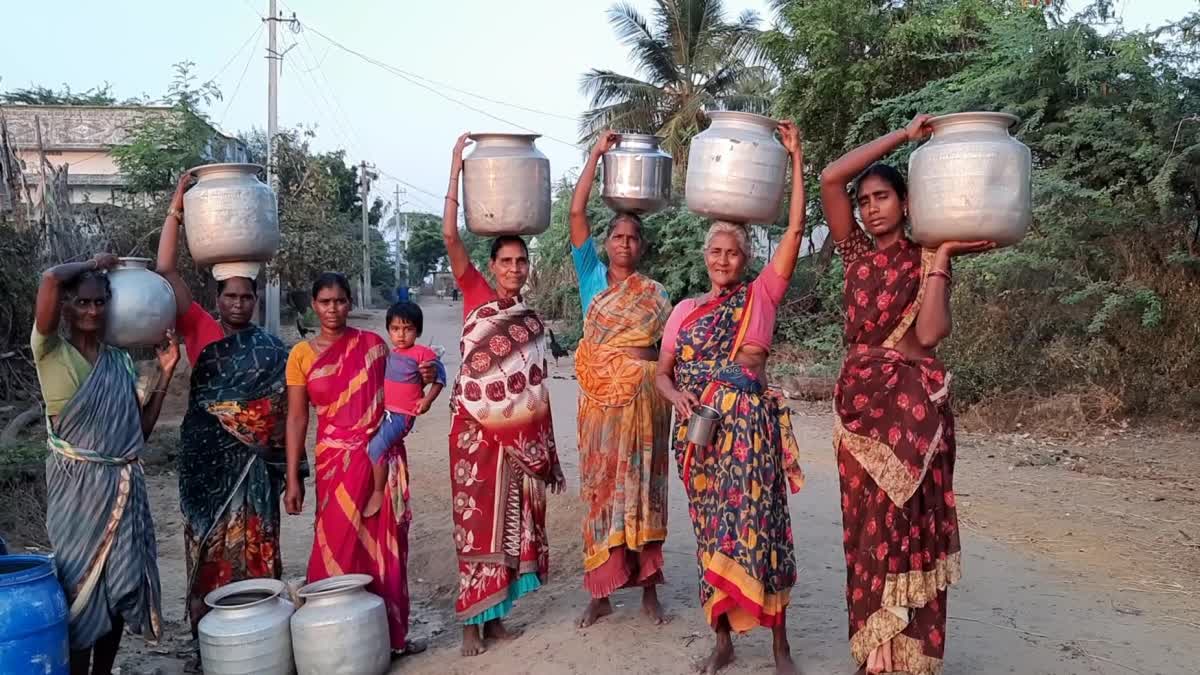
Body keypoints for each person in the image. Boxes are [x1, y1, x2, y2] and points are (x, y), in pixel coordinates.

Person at [818, 114, 993, 675]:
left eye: (882, 197)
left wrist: (940, 261)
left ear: (907, 202)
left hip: (915, 417)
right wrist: (904, 137)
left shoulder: (924, 259)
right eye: (865, 199)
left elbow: (931, 335)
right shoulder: (853, 255)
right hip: (862, 413)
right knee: (866, 534)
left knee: (912, 528)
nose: (870, 208)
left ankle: (910, 656)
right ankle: (876, 655)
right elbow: (828, 178)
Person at [655, 121, 808, 675]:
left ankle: (780, 645)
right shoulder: (683, 312)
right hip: (699, 435)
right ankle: (722, 640)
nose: (723, 259)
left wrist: (795, 158)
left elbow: (793, 231)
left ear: (745, 259)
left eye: (732, 252)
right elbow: (663, 374)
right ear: (705, 256)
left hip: (751, 429)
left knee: (763, 528)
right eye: (715, 251)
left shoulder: (762, 294)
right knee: (711, 533)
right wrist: (676, 398)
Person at [154, 172, 293, 639]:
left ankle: (260, 636)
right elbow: (167, 270)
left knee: (255, 543)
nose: (238, 302)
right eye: (230, 296)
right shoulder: (198, 329)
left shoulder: (274, 350)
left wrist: (290, 469)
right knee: (209, 544)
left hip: (254, 470)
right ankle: (212, 639)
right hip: (206, 462)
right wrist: (178, 204)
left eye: (245, 296)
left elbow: (284, 415)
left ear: (256, 299)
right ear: (217, 300)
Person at [443, 132, 566, 657]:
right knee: (476, 524)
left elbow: (536, 393)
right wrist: (456, 167)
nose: (514, 269)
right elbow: (451, 236)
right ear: (491, 265)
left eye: (521, 262)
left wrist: (544, 450)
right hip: (474, 435)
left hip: (515, 444)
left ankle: (496, 620)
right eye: (506, 262)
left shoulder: (532, 320)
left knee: (509, 522)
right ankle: (471, 622)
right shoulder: (475, 293)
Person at [33, 252, 180, 675]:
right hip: (74, 492)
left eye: (100, 302)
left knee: (118, 587)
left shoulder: (119, 363)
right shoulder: (49, 349)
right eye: (82, 302)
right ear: (66, 306)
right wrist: (92, 263)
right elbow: (49, 277)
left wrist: (166, 373)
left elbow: (139, 433)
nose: (92, 310)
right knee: (79, 589)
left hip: (120, 483)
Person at [284, 273, 423, 656]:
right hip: (333, 463)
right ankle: (331, 645)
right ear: (314, 305)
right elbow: (297, 419)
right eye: (326, 302)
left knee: (384, 545)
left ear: (349, 302)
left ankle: (391, 639)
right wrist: (292, 476)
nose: (334, 309)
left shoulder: (374, 346)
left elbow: (399, 395)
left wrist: (427, 381)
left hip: (376, 456)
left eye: (341, 301)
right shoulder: (301, 355)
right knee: (336, 543)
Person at [569, 130, 673, 628]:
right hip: (600, 405)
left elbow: (664, 350)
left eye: (632, 237)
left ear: (642, 245)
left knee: (647, 486)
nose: (625, 243)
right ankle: (601, 590)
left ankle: (649, 587)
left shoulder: (655, 293)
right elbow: (575, 216)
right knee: (602, 490)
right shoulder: (590, 276)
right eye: (617, 236)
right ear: (606, 244)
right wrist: (595, 156)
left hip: (647, 402)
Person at [364, 301, 446, 519]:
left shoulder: (423, 354)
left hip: (402, 414)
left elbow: (440, 378)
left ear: (418, 331)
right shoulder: (390, 353)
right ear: (389, 330)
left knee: (376, 447)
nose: (401, 335)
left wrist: (427, 400)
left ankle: (378, 493)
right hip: (386, 411)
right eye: (395, 329)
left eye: (408, 329)